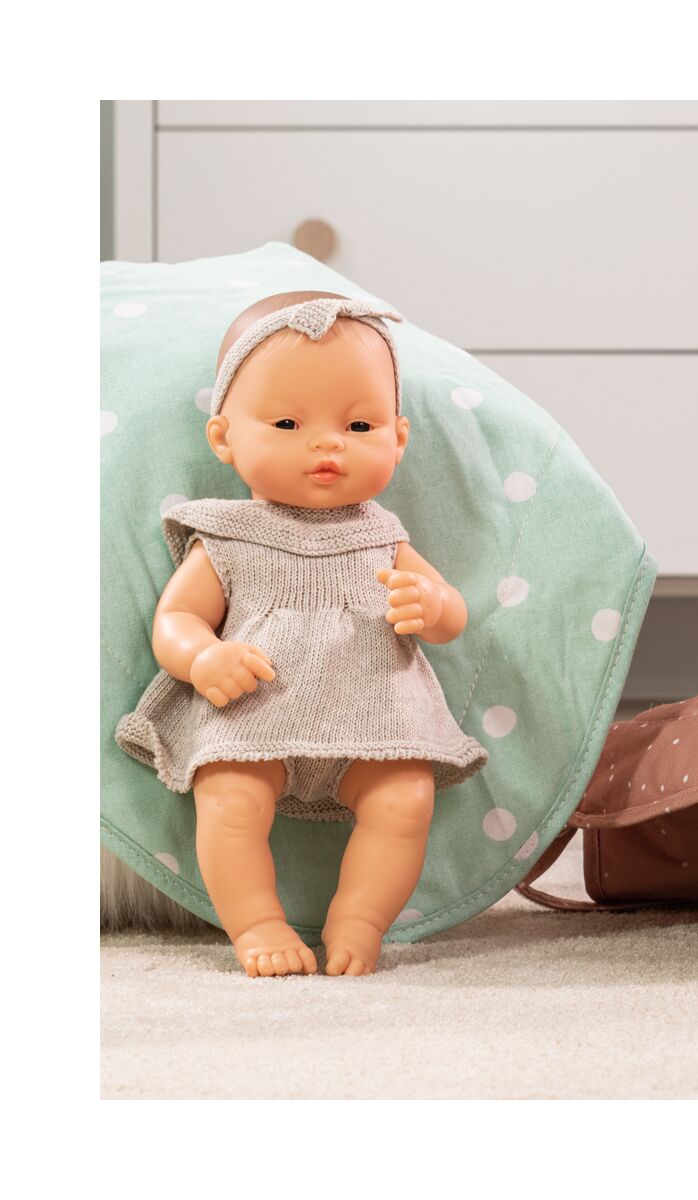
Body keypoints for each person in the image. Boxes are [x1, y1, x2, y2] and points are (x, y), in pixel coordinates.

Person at [116, 292, 486, 976]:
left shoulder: (382, 537)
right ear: (224, 438)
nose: (327, 443)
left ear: (398, 439)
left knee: (404, 797)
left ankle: (361, 917)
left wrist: (432, 605)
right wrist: (203, 657)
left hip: (375, 713)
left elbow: (453, 616)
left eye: (360, 424)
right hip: (255, 711)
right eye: (287, 422)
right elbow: (176, 618)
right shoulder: (228, 536)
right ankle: (257, 924)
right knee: (230, 797)